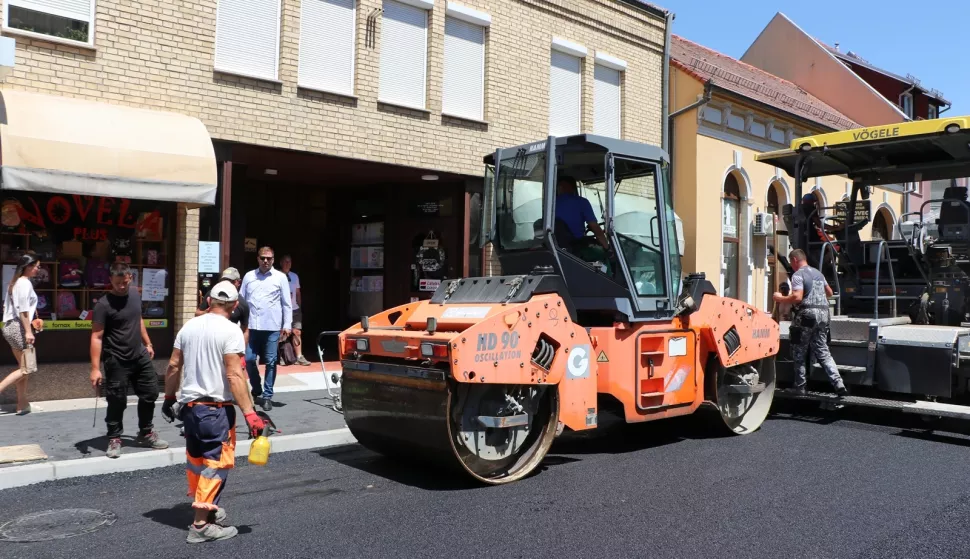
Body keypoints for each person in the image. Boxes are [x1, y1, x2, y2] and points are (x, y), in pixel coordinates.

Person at [161, 280, 265, 544]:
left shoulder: (189, 326)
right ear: (233, 305)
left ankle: (207, 511)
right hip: (216, 411)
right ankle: (200, 525)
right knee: (215, 466)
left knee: (196, 463)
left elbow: (173, 366)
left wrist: (169, 397)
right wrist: (250, 413)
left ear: (208, 301)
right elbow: (234, 374)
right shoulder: (230, 331)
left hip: (190, 409)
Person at [90, 262, 169, 458]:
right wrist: (95, 368)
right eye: (117, 283)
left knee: (150, 392)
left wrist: (148, 343)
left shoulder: (134, 294)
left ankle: (146, 432)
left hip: (139, 354)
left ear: (130, 278)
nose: (121, 287)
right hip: (116, 358)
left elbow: (138, 319)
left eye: (124, 282)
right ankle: (115, 438)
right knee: (117, 399)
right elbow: (96, 337)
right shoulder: (103, 305)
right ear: (110, 281)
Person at [773, 249, 847, 396]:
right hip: (824, 315)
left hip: (807, 315)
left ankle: (800, 387)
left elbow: (797, 297)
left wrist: (780, 298)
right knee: (823, 351)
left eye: (791, 262)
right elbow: (830, 293)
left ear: (794, 260)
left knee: (798, 352)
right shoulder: (818, 274)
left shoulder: (798, 275)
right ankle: (838, 383)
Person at [239, 246, 291, 412]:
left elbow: (286, 304)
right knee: (248, 359)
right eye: (263, 258)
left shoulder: (280, 277)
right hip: (252, 327)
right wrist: (239, 324)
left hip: (272, 327)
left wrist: (287, 324)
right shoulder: (249, 276)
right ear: (258, 259)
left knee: (270, 362)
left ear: (273, 260)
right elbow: (241, 302)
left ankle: (267, 396)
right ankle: (257, 388)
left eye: (269, 258)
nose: (266, 261)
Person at [0, 253, 43, 415]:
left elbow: (7, 308)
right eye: (37, 266)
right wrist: (28, 331)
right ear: (28, 266)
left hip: (9, 326)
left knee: (23, 367)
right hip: (18, 327)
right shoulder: (24, 283)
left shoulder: (14, 283)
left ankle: (22, 404)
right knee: (27, 368)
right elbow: (24, 310)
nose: (38, 269)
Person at [196, 267, 249, 345]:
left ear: (238, 282)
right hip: (208, 341)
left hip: (229, 344)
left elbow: (245, 329)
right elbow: (197, 314)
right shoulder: (212, 295)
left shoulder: (242, 303)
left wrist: (241, 350)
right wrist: (208, 311)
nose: (227, 284)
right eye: (224, 280)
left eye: (231, 281)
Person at [279, 255, 310, 366]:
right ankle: (283, 357)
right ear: (281, 263)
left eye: (290, 262)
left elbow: (297, 293)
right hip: (281, 309)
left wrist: (299, 306)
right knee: (283, 333)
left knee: (297, 332)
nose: (288, 264)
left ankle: (299, 357)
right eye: (285, 262)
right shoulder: (276, 275)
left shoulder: (295, 276)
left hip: (295, 309)